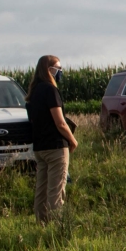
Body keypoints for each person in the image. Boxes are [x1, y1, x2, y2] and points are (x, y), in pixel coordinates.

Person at [24, 55, 78, 224]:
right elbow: (60, 122)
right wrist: (73, 140)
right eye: (57, 69)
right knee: (55, 192)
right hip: (56, 148)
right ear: (49, 70)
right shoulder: (50, 90)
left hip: (40, 148)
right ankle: (57, 229)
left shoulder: (33, 93)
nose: (60, 72)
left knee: (41, 191)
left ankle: (41, 224)